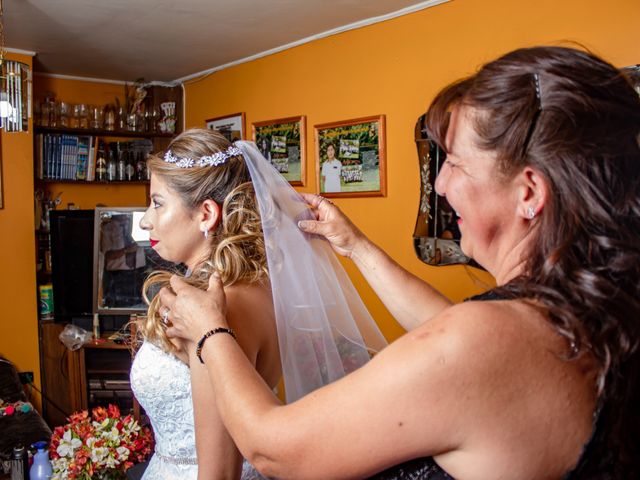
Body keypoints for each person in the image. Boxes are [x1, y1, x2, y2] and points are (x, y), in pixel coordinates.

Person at [160, 46, 640, 479]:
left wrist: (210, 332)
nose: (440, 185)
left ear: (529, 192)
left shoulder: (485, 341)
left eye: (453, 163)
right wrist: (356, 246)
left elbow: (274, 451)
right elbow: (451, 326)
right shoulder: (593, 309)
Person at [129, 128, 385, 479]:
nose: (145, 220)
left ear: (206, 214)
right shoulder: (261, 288)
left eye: (157, 203)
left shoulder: (209, 311)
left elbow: (217, 474)